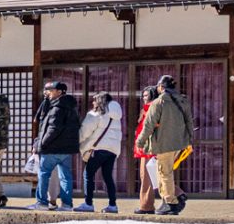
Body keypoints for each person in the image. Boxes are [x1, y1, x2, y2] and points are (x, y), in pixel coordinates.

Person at [136, 75, 193, 215]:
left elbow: (148, 125)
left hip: (164, 143)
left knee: (164, 173)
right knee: (165, 172)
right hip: (179, 143)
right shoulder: (182, 101)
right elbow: (189, 122)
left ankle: (170, 202)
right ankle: (170, 200)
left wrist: (140, 141)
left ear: (161, 87)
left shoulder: (159, 102)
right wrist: (189, 139)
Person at [32, 79, 81, 210]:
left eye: (50, 90)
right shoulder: (72, 107)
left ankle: (42, 202)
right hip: (67, 149)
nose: (47, 92)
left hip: (52, 148)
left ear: (59, 92)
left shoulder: (56, 108)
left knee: (44, 174)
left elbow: (53, 129)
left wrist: (41, 144)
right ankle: (67, 204)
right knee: (65, 177)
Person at [79, 92, 124, 212]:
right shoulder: (116, 115)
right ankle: (112, 205)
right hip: (113, 150)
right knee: (108, 176)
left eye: (95, 100)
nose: (93, 102)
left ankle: (88, 203)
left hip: (98, 149)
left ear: (100, 101)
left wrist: (77, 141)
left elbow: (85, 131)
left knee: (88, 174)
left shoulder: (96, 114)